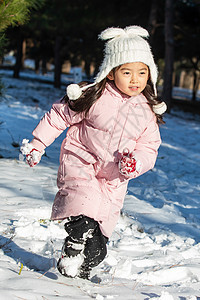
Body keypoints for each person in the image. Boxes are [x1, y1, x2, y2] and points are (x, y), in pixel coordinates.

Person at [20, 26, 167, 280]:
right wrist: (37, 144)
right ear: (110, 73)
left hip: (113, 181)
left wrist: (137, 163)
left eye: (142, 72)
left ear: (150, 74)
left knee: (98, 250)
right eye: (127, 72)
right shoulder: (93, 97)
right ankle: (72, 249)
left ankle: (82, 272)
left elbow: (149, 147)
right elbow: (58, 117)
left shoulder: (146, 110)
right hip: (82, 163)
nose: (135, 79)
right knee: (83, 218)